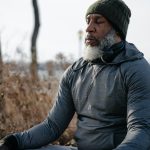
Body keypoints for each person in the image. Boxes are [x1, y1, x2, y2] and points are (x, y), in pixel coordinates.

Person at [1, 0, 150, 149]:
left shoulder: (136, 69)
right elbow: (52, 126)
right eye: (88, 21)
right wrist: (15, 141)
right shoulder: (75, 71)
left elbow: (141, 130)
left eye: (98, 22)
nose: (89, 28)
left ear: (117, 30)